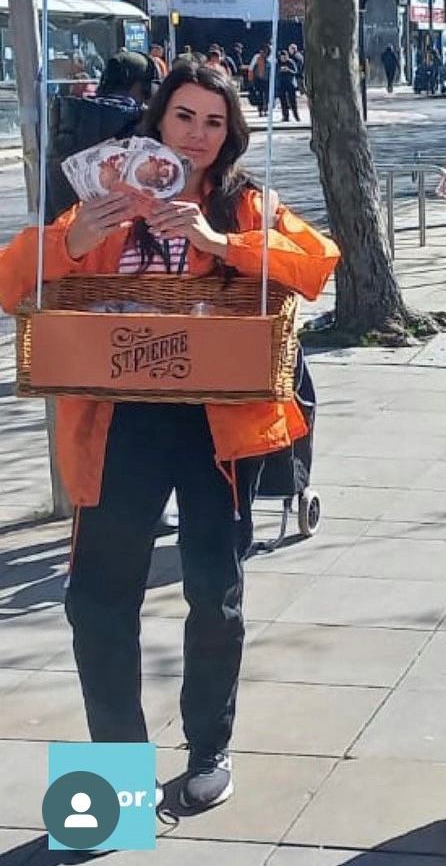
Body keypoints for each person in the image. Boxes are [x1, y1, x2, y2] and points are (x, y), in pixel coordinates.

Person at [0, 62, 340, 811]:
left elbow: (316, 264)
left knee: (213, 589)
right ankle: (114, 785)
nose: (197, 134)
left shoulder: (244, 203)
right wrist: (72, 239)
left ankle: (209, 746)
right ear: (158, 120)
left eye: (214, 123)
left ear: (230, 134)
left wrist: (222, 242)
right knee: (95, 595)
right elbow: (10, 279)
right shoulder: (106, 194)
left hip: (217, 421)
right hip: (119, 418)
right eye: (184, 117)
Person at [46, 50, 156, 222]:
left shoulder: (67, 114)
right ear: (141, 87)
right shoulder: (139, 124)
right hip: (111, 238)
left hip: (60, 231)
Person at [276, 51, 301, 122]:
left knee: (293, 101)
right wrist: (280, 70)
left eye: (285, 57)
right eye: (282, 57)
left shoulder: (291, 62)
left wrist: (288, 70)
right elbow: (275, 73)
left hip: (290, 84)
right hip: (281, 84)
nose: (283, 59)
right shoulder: (278, 63)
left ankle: (296, 116)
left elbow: (295, 72)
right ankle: (285, 116)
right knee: (283, 101)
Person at [248, 44, 270, 114]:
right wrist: (250, 80)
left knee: (267, 96)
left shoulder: (271, 58)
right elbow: (251, 68)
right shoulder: (257, 57)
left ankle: (266, 109)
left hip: (268, 80)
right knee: (260, 95)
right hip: (259, 79)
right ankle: (260, 110)